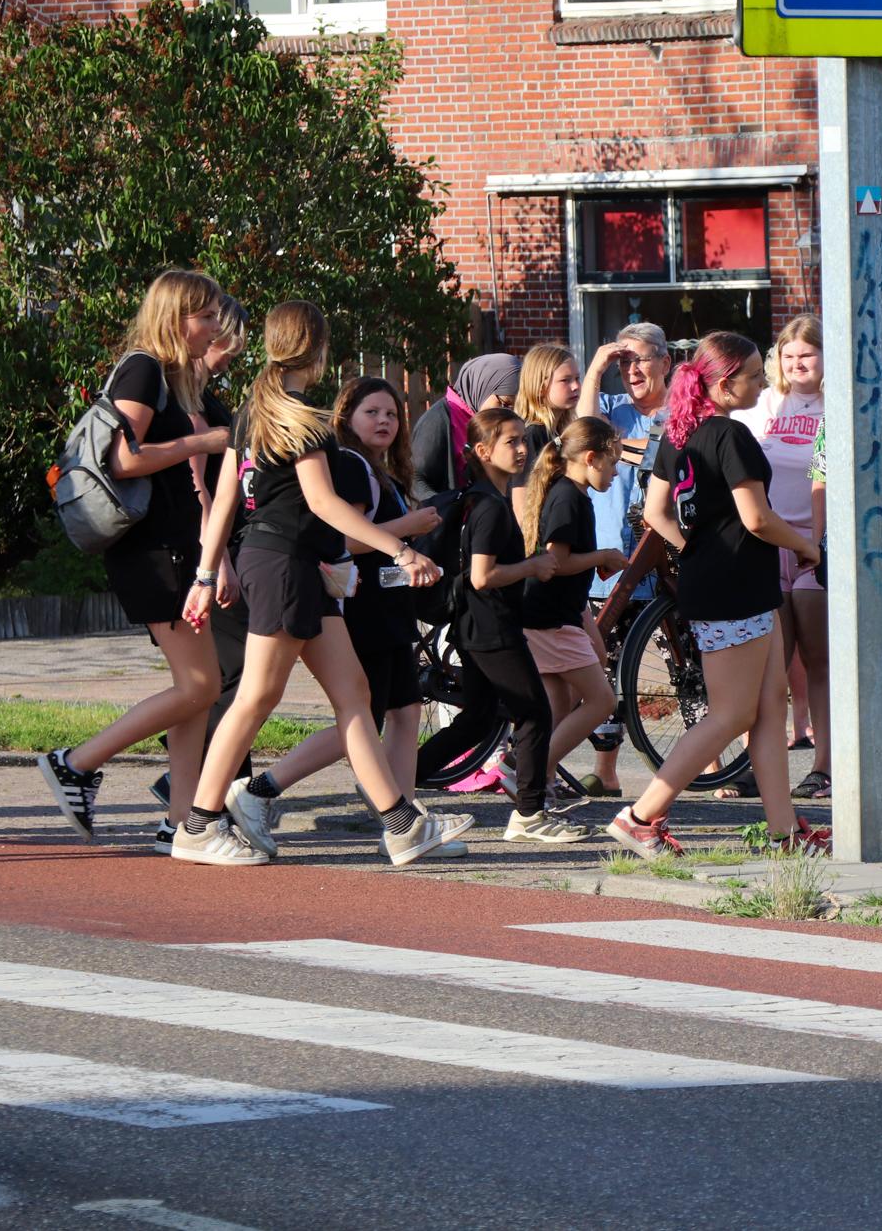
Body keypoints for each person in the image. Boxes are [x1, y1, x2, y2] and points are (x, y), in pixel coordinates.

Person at [177, 300, 470, 866]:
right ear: (319, 348)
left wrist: (205, 573)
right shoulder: (300, 416)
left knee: (354, 695)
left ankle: (402, 825)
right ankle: (198, 824)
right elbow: (322, 502)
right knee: (258, 696)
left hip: (292, 566)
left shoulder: (254, 411)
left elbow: (222, 510)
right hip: (286, 564)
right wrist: (400, 548)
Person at [610, 332, 828, 858]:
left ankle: (784, 832)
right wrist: (806, 546)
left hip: (724, 582)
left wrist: (695, 550)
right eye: (754, 374)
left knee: (771, 705)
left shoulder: (677, 432)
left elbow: (657, 512)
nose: (761, 382)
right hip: (737, 586)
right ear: (726, 383)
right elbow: (756, 517)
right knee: (731, 714)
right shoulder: (730, 435)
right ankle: (641, 817)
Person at [231, 377, 460, 858]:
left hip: (391, 605)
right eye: (372, 412)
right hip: (363, 606)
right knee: (360, 716)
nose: (384, 422)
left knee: (405, 712)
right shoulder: (350, 466)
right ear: (346, 418)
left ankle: (406, 827)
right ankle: (260, 789)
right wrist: (406, 532)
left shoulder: (382, 469)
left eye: (392, 415)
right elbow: (346, 539)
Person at [38, 271, 229, 842]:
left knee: (198, 690)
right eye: (208, 317)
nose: (216, 327)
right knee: (199, 687)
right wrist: (201, 441)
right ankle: (77, 762)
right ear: (178, 318)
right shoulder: (143, 367)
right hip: (149, 551)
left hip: (175, 548)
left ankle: (183, 822)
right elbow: (123, 460)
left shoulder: (174, 377)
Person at [408, 407, 586, 842]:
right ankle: (529, 815)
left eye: (524, 440)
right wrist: (533, 565)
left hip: (475, 625)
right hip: (491, 628)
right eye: (511, 441)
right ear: (483, 451)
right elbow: (482, 576)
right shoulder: (488, 506)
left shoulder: (483, 498)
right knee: (534, 714)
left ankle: (393, 784)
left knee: (479, 718)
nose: (522, 449)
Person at [150, 293, 254, 843]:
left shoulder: (197, 393)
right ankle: (196, 790)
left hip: (212, 551)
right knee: (226, 677)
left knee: (224, 678)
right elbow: (201, 489)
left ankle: (198, 791)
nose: (230, 354)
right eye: (224, 340)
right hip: (209, 552)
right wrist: (218, 565)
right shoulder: (185, 399)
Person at [811, 315, 882, 766]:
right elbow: (821, 478)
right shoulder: (842, 405)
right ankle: (863, 763)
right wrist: (819, 542)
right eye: (874, 342)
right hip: (853, 551)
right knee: (856, 661)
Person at [576, 322, 676, 797]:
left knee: (687, 660)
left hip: (667, 557)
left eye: (640, 359)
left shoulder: (680, 413)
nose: (632, 370)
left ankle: (714, 761)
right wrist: (595, 370)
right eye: (624, 362)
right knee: (608, 664)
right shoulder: (609, 410)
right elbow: (580, 435)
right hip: (611, 558)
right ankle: (606, 769)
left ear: (665, 362)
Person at [733, 315, 830, 799]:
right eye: (788, 356)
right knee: (771, 666)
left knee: (818, 661)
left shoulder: (837, 405)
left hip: (816, 546)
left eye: (806, 355)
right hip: (769, 545)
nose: (796, 364)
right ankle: (759, 766)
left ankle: (825, 765)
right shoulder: (767, 403)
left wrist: (820, 541)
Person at [520, 416, 627, 826]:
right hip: (551, 618)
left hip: (551, 614)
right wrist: (601, 557)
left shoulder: (571, 493)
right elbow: (555, 561)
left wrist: (592, 564)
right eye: (612, 463)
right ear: (590, 457)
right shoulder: (569, 497)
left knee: (559, 704)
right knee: (601, 701)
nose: (616, 472)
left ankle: (538, 780)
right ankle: (527, 772)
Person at [411, 352, 520, 503]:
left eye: (515, 407)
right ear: (483, 387)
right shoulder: (439, 419)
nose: (507, 412)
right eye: (504, 403)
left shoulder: (483, 422)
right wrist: (449, 508)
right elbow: (415, 479)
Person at [514, 342, 582, 453]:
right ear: (540, 387)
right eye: (565, 380)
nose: (575, 386)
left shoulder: (557, 431)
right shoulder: (534, 434)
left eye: (577, 378)